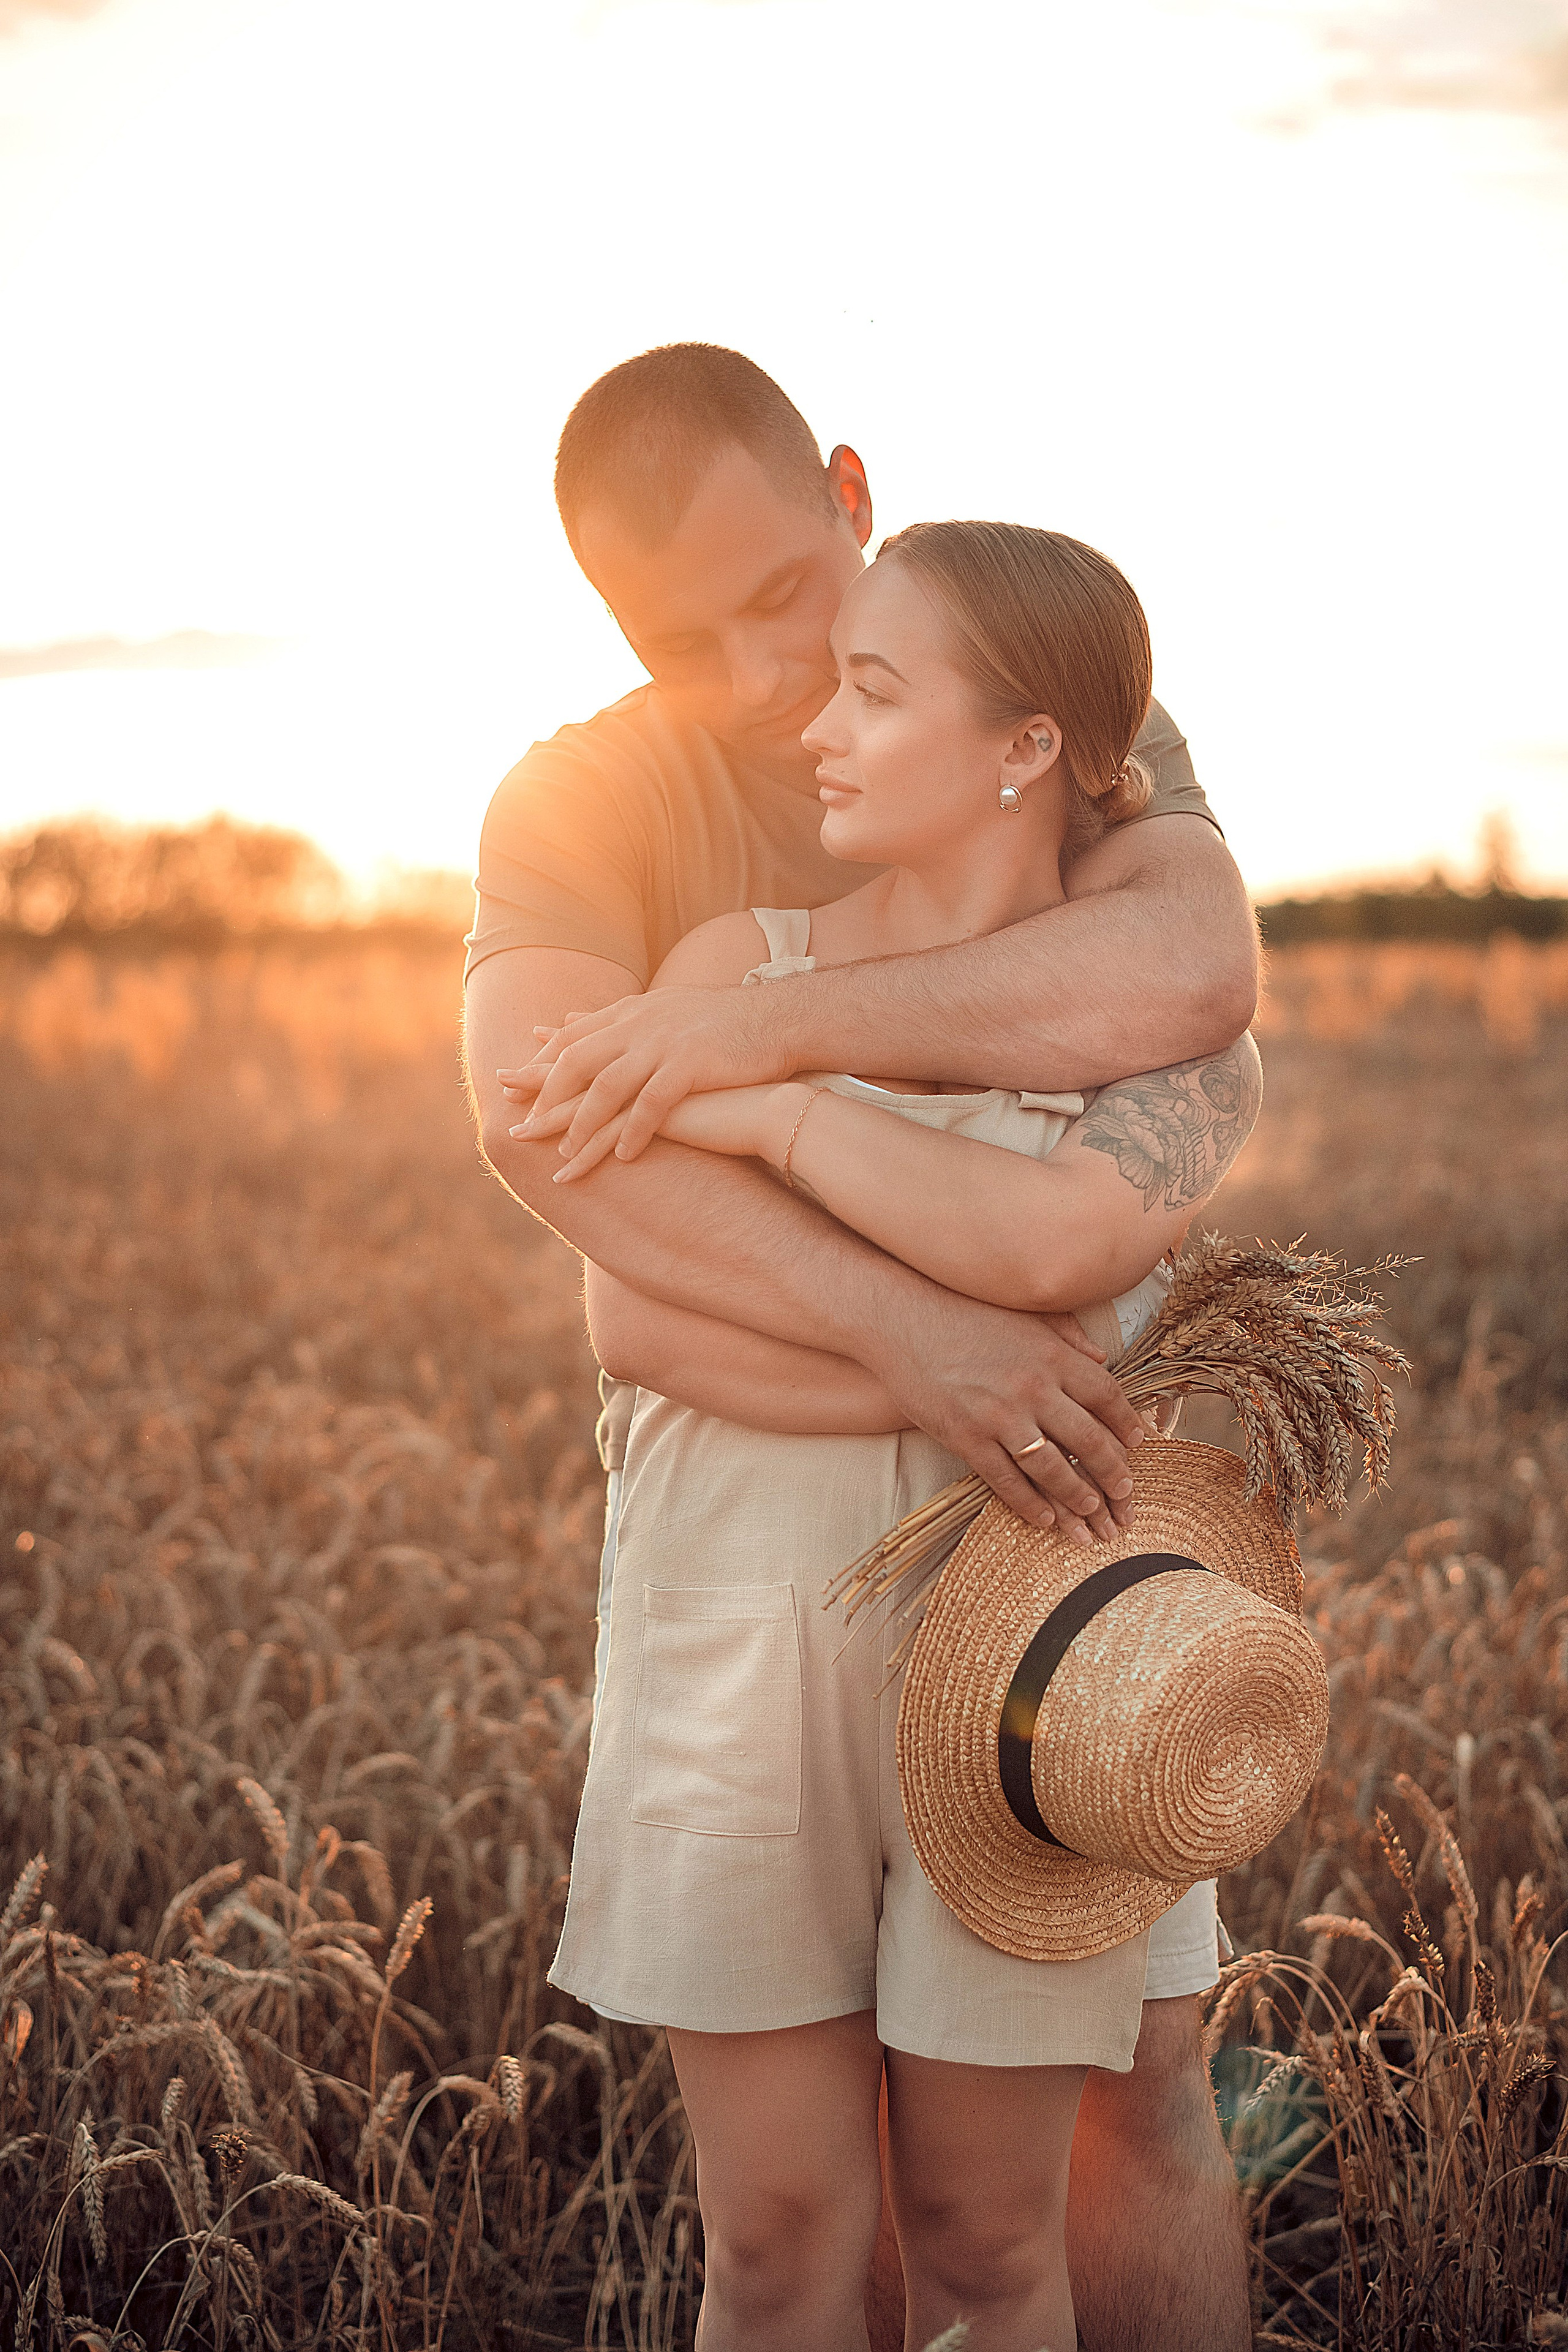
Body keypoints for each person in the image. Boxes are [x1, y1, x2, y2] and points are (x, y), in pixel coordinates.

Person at [463, 347, 1258, 2349]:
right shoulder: (589, 795)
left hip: (1048, 1576)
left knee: (1134, 2102)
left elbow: (1184, 967)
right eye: (679, 637)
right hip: (763, 1576)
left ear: (846, 487)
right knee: (800, 2229)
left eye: (781, 599)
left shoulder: (1025, 666)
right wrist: (938, 1351)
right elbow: (577, 1193)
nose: (755, 677)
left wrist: (738, 1054)